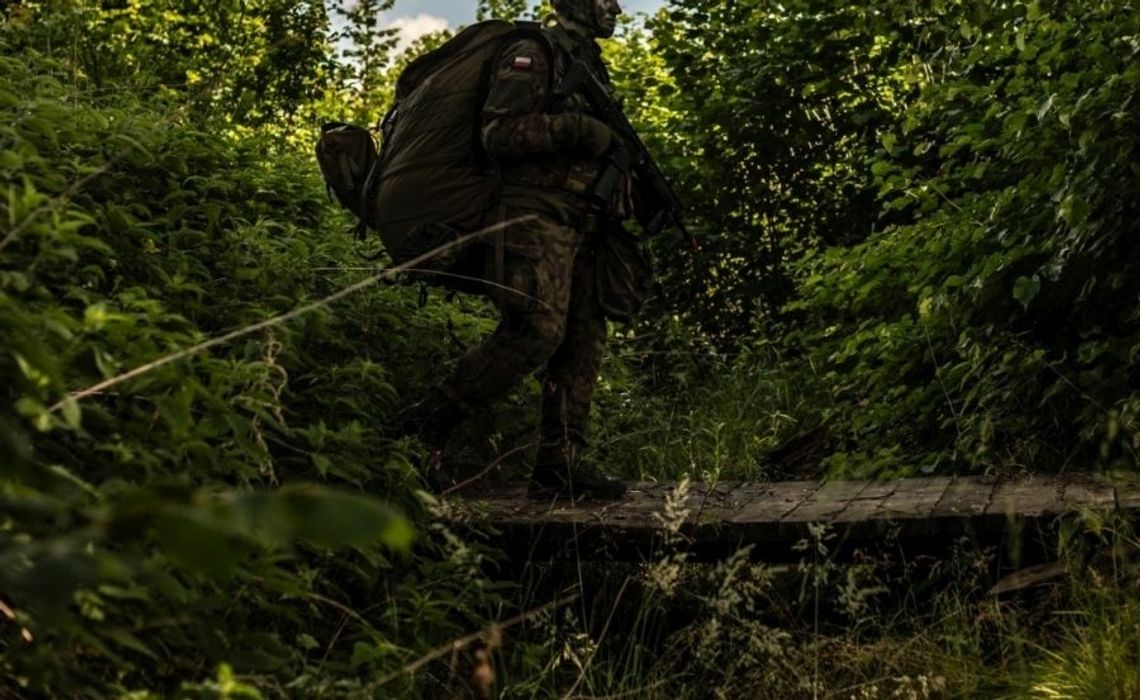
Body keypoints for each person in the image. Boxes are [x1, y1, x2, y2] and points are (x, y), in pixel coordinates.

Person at [393, 0, 636, 501]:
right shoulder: (532, 52)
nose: (614, 8)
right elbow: (498, 133)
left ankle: (559, 465)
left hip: (581, 221)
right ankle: (416, 435)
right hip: (532, 218)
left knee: (583, 335)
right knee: (535, 331)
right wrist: (578, 131)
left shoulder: (588, 63)